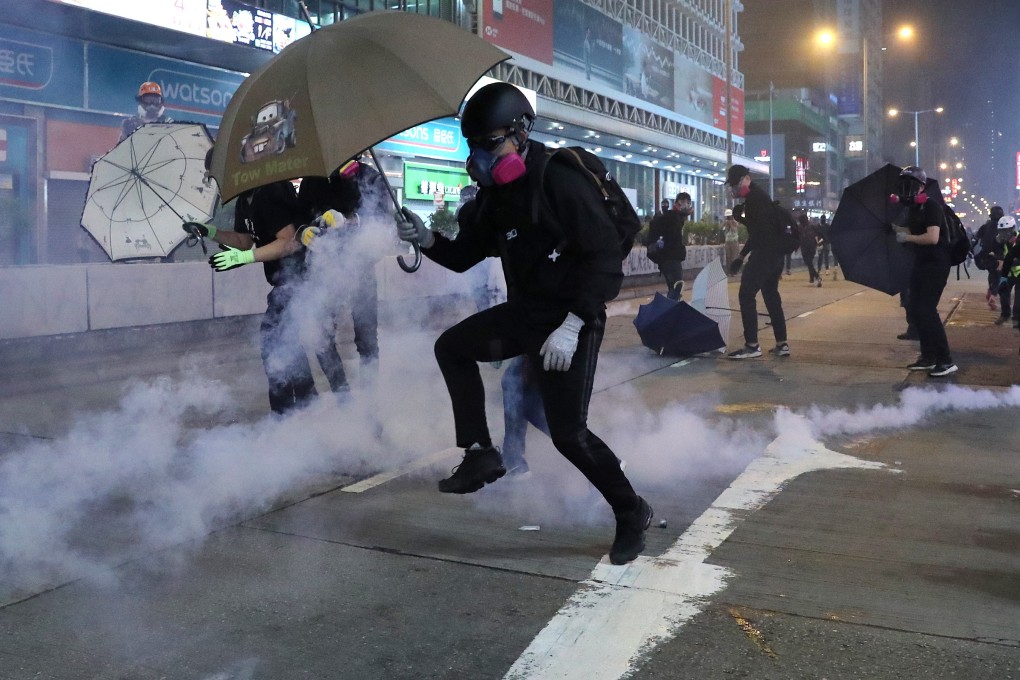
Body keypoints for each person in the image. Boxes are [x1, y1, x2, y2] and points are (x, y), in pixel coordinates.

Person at [394, 81, 652, 565]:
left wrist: (574, 324)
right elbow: (465, 255)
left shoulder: (560, 177)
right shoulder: (495, 195)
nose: (482, 157)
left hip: (572, 317)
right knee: (452, 347)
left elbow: (604, 260)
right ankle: (479, 452)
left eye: (491, 144)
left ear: (520, 133)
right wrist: (426, 238)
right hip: (527, 314)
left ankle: (630, 511)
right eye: (474, 148)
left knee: (568, 433)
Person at [184, 180, 315, 414]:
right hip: (282, 283)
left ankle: (285, 412)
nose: (219, 185)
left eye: (218, 179)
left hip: (301, 278)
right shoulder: (245, 200)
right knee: (287, 343)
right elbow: (244, 241)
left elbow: (289, 242)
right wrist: (209, 231)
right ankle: (307, 403)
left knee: (272, 341)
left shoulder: (271, 191)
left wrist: (242, 258)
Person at [297, 159, 385, 394]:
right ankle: (342, 395)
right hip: (324, 269)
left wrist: (351, 221)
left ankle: (371, 402)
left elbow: (385, 221)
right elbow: (300, 219)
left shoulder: (368, 175)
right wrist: (304, 232)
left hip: (361, 266)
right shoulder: (311, 181)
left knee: (366, 342)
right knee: (320, 337)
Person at [891, 166, 957, 377]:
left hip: (936, 265)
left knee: (926, 310)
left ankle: (945, 360)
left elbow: (932, 238)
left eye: (909, 185)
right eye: (902, 186)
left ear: (921, 187)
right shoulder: (911, 210)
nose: (905, 190)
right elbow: (911, 234)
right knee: (916, 309)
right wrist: (896, 230)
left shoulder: (931, 207)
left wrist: (907, 238)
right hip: (920, 263)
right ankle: (928, 357)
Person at [724, 164, 789, 359]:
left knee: (746, 294)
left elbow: (759, 233)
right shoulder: (758, 197)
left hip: (765, 254)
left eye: (736, 184)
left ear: (746, 178)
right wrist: (742, 257)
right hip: (774, 255)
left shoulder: (755, 199)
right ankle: (782, 343)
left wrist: (742, 219)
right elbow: (758, 231)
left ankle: (752, 346)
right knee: (770, 295)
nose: (735, 189)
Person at [645, 192, 690, 300]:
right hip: (670, 258)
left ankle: (671, 308)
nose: (686, 205)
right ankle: (671, 309)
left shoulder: (678, 217)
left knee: (673, 287)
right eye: (683, 202)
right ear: (677, 203)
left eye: (688, 203)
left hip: (670, 257)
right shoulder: (672, 216)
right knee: (676, 286)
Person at [973, 205, 1005, 311]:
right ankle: (993, 295)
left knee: (992, 274)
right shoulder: (1002, 227)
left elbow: (975, 239)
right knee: (999, 276)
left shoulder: (984, 226)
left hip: (985, 256)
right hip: (999, 257)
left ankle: (991, 291)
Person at [992, 215, 1019, 327]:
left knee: (1019, 296)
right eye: (1002, 232)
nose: (1004, 235)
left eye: (1006, 232)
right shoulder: (1000, 242)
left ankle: (1017, 319)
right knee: (1003, 290)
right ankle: (1005, 314)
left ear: (1013, 230)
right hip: (1009, 273)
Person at [799, 212, 820, 287]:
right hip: (812, 247)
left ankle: (817, 276)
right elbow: (820, 234)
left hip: (804, 248)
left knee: (808, 263)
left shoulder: (800, 227)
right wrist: (819, 243)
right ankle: (811, 278)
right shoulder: (813, 226)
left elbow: (796, 237)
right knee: (810, 262)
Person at [723, 208, 741, 273]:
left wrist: (731, 223)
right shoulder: (726, 223)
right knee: (728, 257)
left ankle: (734, 271)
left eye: (729, 216)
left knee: (734, 257)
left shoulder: (734, 222)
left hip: (734, 242)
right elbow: (723, 230)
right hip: (727, 242)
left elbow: (735, 229)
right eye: (727, 217)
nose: (728, 218)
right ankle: (729, 271)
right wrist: (726, 224)